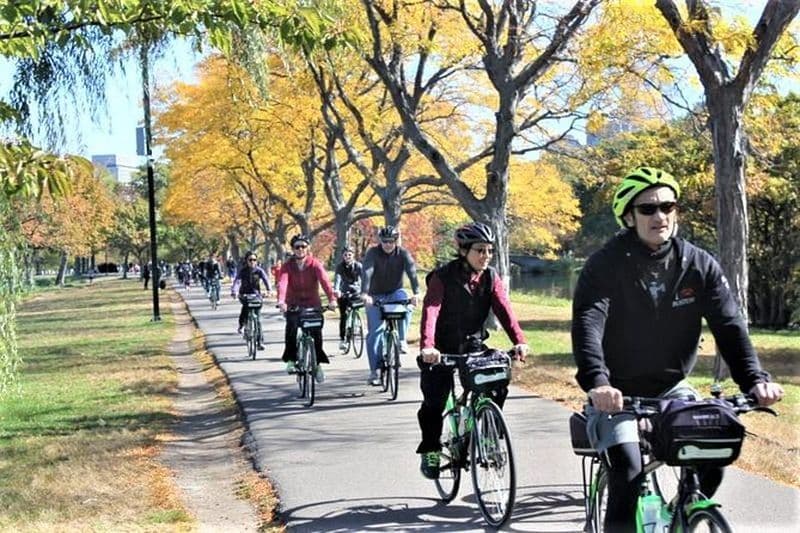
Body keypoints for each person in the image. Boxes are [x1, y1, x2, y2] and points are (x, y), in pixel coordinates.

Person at [571, 166, 784, 533]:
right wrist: (598, 383)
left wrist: (755, 380)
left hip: (671, 386)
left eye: (668, 207)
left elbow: (729, 326)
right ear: (629, 216)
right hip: (617, 392)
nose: (660, 216)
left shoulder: (698, 264)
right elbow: (589, 323)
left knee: (711, 458)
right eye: (648, 209)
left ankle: (678, 516)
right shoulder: (605, 265)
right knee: (628, 470)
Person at [415, 222, 529, 479]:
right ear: (463, 250)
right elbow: (431, 310)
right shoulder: (442, 277)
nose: (486, 256)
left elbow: (504, 310)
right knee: (434, 400)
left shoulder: (490, 277)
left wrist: (519, 341)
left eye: (489, 250)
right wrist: (428, 346)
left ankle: (488, 435)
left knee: (496, 385)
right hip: (441, 348)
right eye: (480, 250)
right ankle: (431, 449)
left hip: (473, 345)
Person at [360, 226, 420, 386]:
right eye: (385, 241)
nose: (388, 244)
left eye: (391, 241)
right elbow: (367, 272)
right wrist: (365, 293)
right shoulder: (373, 253)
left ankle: (402, 340)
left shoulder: (403, 253)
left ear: (396, 241)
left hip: (395, 292)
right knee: (375, 332)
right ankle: (375, 370)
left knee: (406, 304)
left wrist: (416, 293)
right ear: (380, 241)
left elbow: (412, 272)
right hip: (375, 295)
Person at [277, 235, 337, 383]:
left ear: (308, 248)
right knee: (291, 328)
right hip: (294, 304)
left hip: (312, 303)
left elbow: (325, 281)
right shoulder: (287, 266)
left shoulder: (314, 264)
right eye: (297, 247)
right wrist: (282, 301)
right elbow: (283, 283)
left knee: (316, 333)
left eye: (303, 246)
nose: (300, 249)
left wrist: (332, 299)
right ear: (293, 249)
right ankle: (291, 359)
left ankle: (317, 365)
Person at [230, 251, 272, 350]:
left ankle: (260, 342)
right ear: (246, 261)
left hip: (256, 296)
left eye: (254, 260)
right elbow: (237, 281)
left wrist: (269, 290)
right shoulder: (243, 271)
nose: (252, 262)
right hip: (244, 295)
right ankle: (242, 325)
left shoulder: (259, 271)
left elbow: (266, 280)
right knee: (245, 309)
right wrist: (234, 291)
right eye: (250, 260)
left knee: (258, 319)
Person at [333, 246, 364, 352]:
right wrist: (337, 290)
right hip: (344, 292)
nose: (347, 257)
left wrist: (366, 290)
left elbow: (364, 278)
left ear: (353, 255)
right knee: (344, 316)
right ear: (343, 256)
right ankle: (343, 339)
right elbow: (337, 279)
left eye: (349, 255)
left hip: (356, 291)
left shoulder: (358, 266)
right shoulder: (340, 267)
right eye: (345, 255)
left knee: (357, 306)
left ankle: (356, 324)